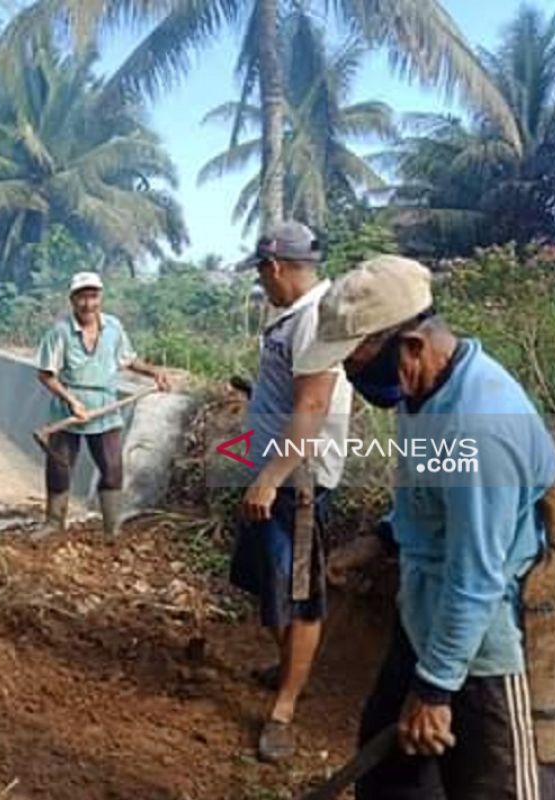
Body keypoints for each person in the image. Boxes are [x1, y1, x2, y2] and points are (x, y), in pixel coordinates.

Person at [300, 255, 555, 799]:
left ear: (411, 344)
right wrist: (381, 538)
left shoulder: (480, 426)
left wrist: (435, 689)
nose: (348, 373)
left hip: (486, 648)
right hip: (425, 619)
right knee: (390, 780)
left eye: (353, 358)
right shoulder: (422, 393)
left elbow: (476, 576)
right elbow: (431, 497)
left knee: (498, 786)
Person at [228, 221, 354, 762]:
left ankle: (283, 710)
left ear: (274, 267)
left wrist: (271, 476)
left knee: (299, 594)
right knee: (270, 580)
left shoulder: (314, 323)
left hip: (295, 484)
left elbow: (312, 407)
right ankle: (285, 668)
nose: (262, 284)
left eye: (261, 275)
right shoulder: (295, 319)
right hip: (275, 474)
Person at [36, 271, 169, 537]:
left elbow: (128, 359)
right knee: (59, 467)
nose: (88, 304)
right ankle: (53, 522)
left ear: (100, 298)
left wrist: (153, 372)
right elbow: (46, 374)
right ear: (72, 300)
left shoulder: (113, 328)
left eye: (93, 297)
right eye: (82, 298)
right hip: (68, 410)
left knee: (112, 468)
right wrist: (72, 401)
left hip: (104, 408)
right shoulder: (59, 333)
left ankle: (111, 528)